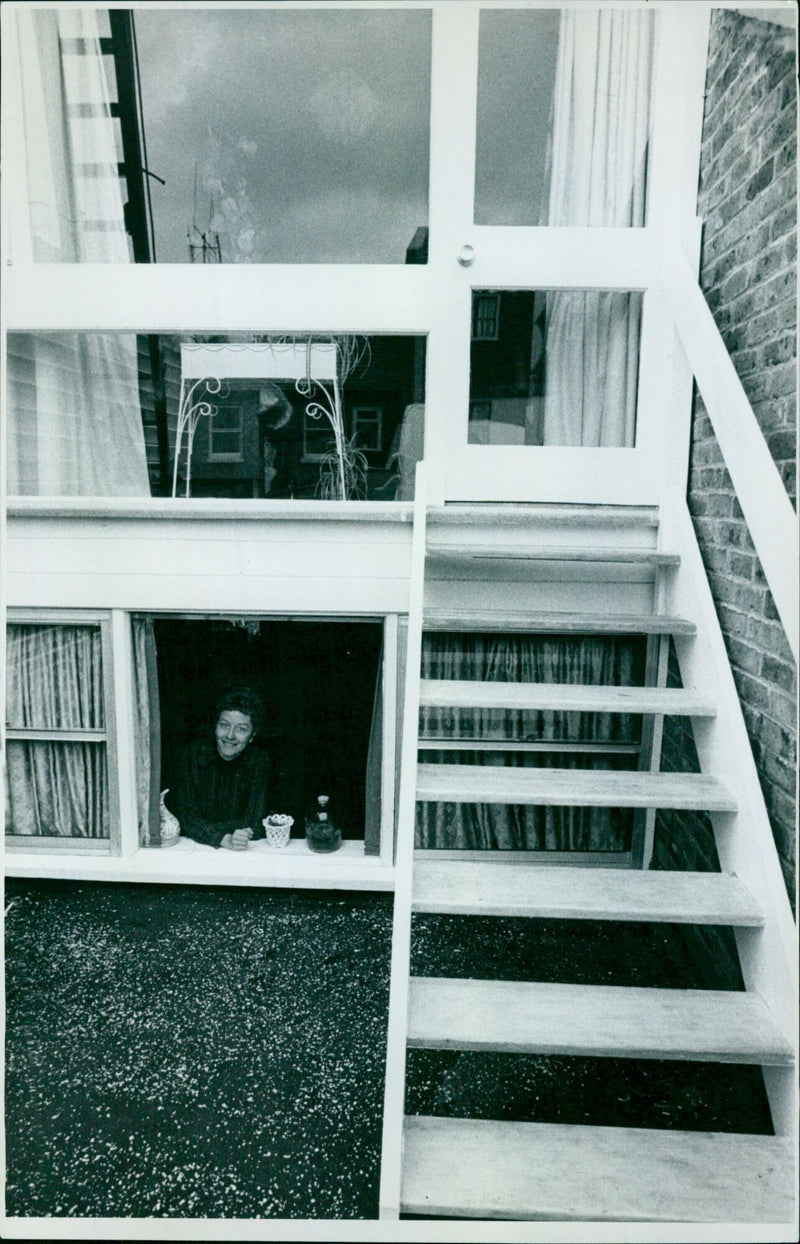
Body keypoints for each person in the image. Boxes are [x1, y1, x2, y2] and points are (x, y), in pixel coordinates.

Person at [169, 687, 273, 850]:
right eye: (224, 725)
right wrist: (223, 838)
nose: (230, 735)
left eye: (241, 729)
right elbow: (187, 816)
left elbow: (256, 820)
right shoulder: (192, 756)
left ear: (252, 735)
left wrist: (240, 835)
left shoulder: (259, 761)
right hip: (196, 847)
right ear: (215, 726)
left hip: (243, 848)